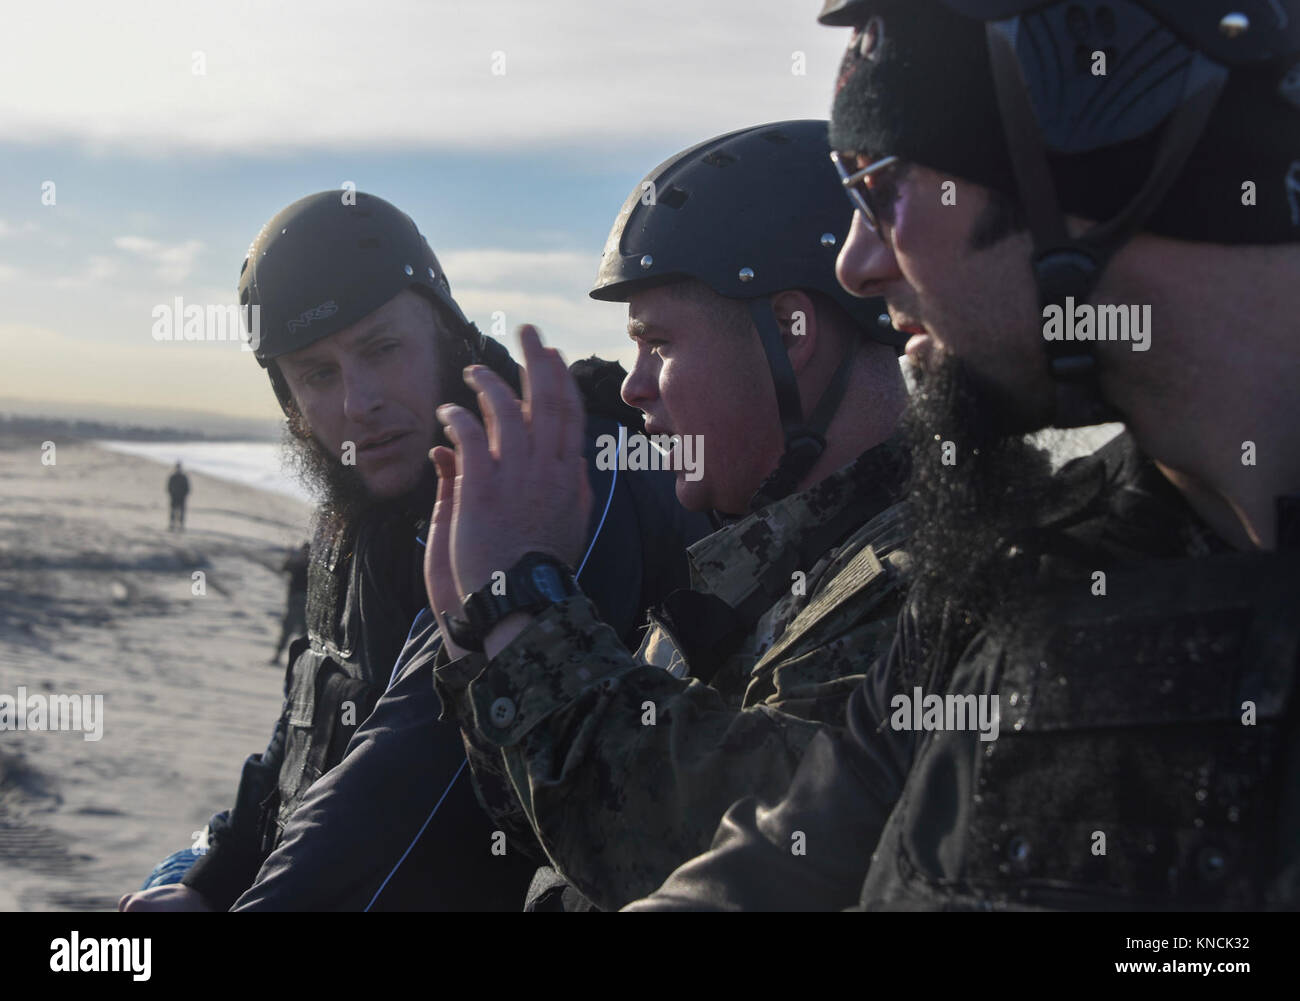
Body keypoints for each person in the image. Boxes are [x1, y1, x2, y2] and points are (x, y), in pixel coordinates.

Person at [630, 0, 1300, 910]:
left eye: (878, 184)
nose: (856, 265)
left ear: (1072, 163)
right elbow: (777, 866)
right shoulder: (1017, 559)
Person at [119, 190, 708, 912]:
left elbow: (409, 785)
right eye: (317, 374)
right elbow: (305, 726)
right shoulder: (358, 505)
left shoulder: (540, 477)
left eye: (381, 349)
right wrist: (208, 882)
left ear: (449, 332)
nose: (356, 401)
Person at [426, 120, 914, 911]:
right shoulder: (754, 565)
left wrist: (523, 609)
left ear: (792, 332)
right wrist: (477, 638)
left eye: (658, 343)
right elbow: (574, 830)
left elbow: (731, 852)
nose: (633, 387)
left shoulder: (922, 579)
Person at [268, 542, 310, 666]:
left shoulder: (307, 566)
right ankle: (281, 656)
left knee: (300, 632)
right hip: (296, 602)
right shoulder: (301, 565)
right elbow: (285, 568)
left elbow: (285, 568)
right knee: (291, 631)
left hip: (302, 603)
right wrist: (290, 556)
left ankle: (302, 660)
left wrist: (290, 557)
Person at [166, 462, 189, 532]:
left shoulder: (184, 477)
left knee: (181, 513)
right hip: (174, 497)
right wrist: (172, 494)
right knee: (173, 512)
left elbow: (187, 488)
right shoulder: (173, 477)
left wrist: (184, 495)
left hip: (181, 498)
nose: (178, 469)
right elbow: (168, 487)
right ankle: (172, 525)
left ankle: (181, 526)